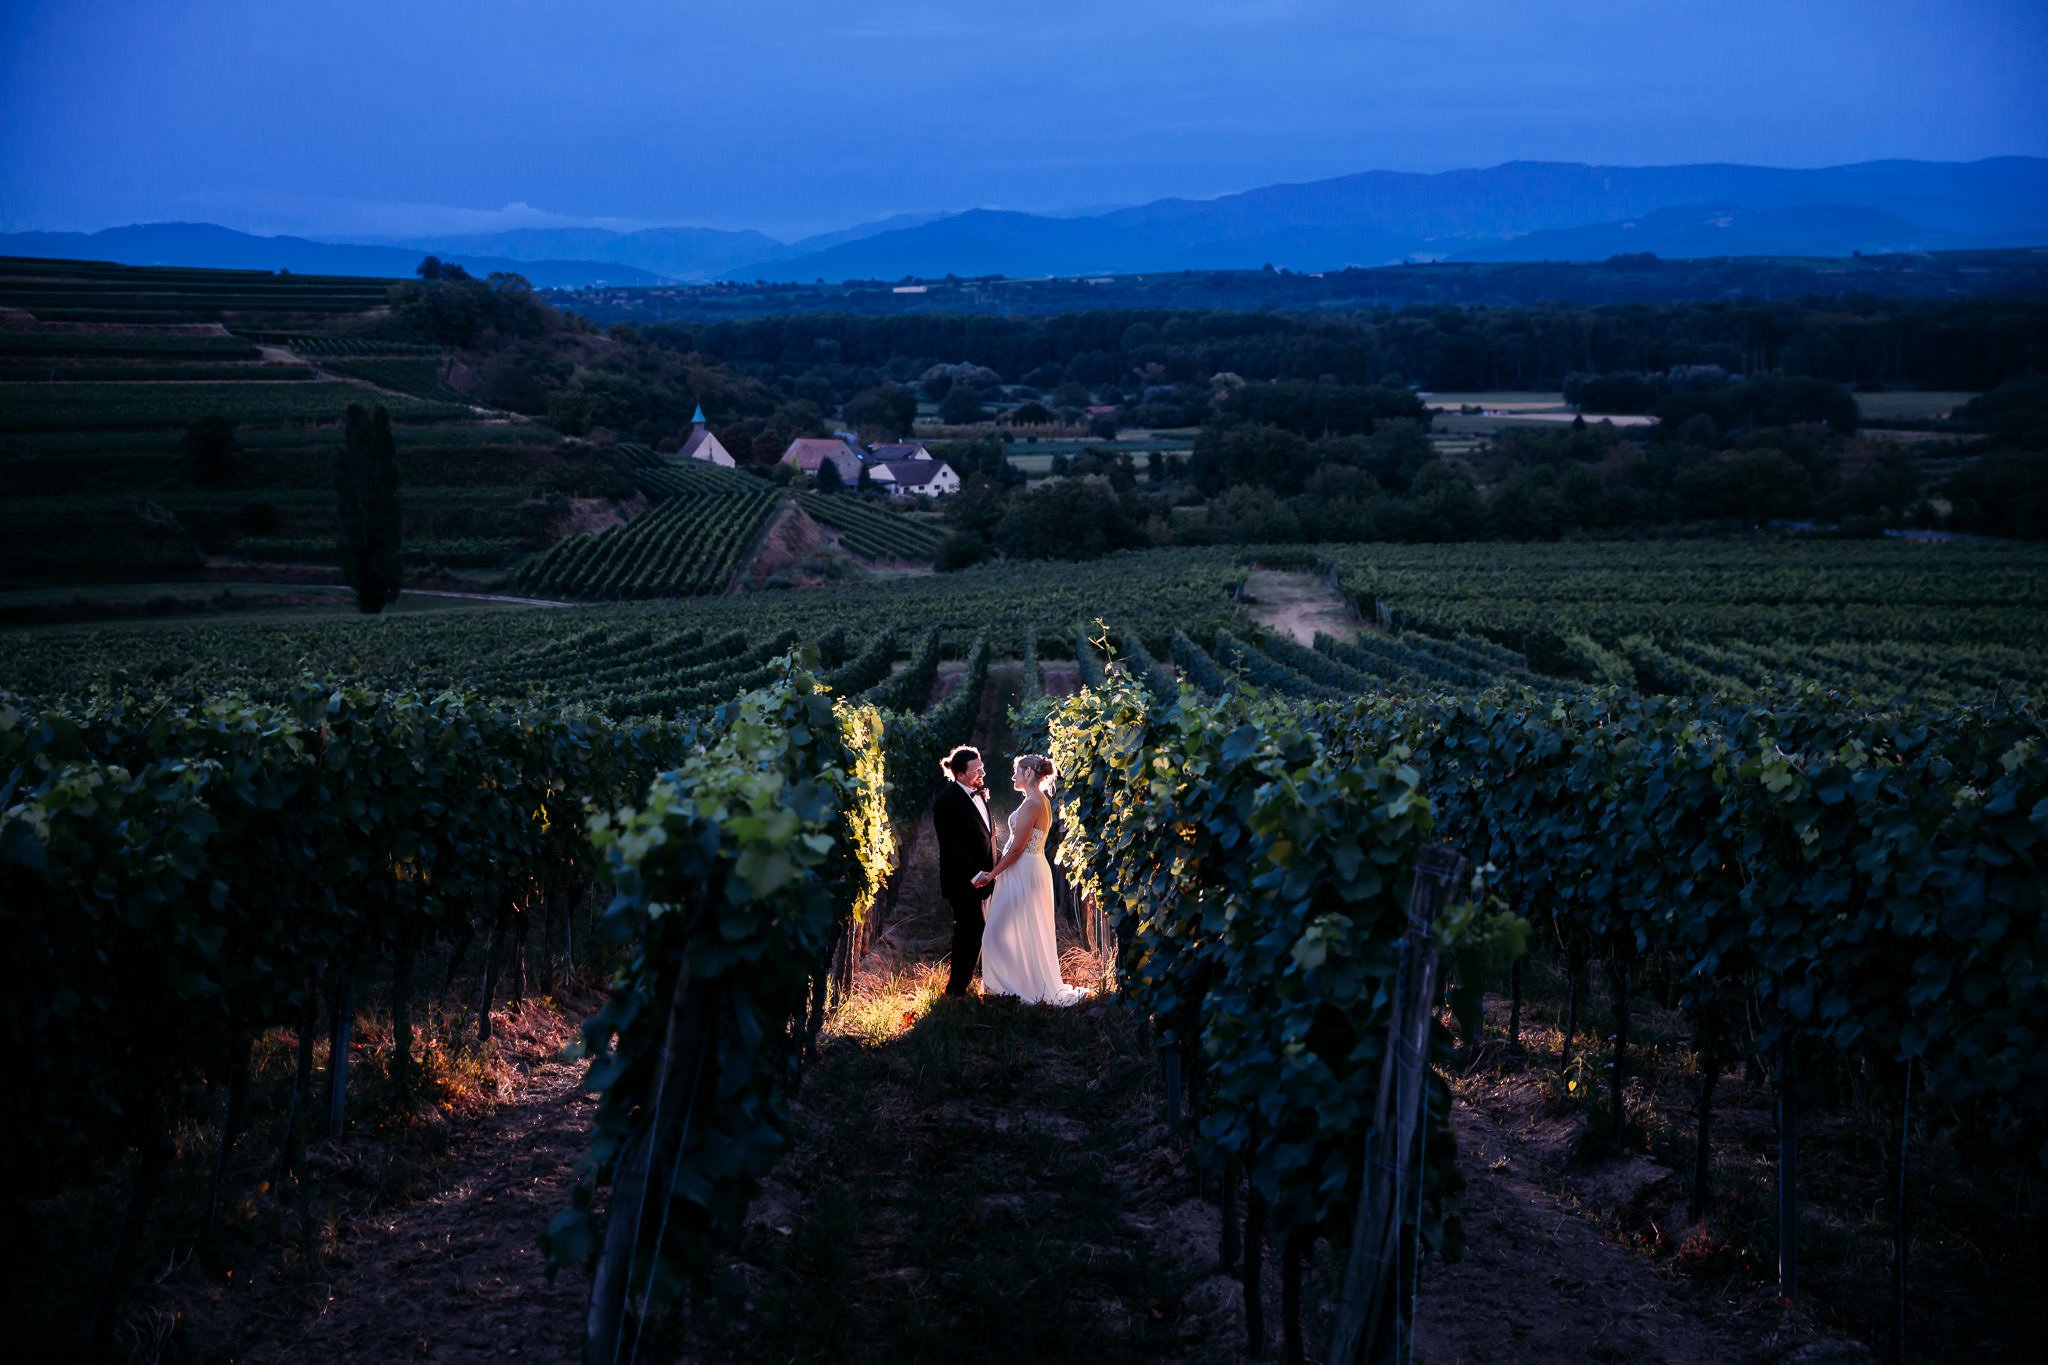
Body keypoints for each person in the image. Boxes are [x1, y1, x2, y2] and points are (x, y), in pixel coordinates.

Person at [973, 754, 1086, 1006]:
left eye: (1017, 770)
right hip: (1025, 868)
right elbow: (1014, 846)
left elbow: (1017, 850)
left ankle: (1013, 988)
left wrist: (993, 874)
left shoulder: (1034, 803)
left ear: (1028, 773)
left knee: (994, 932)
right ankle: (1015, 984)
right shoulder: (1035, 801)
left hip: (1024, 870)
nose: (1013, 775)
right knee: (1017, 929)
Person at [932, 745, 995, 996]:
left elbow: (987, 836)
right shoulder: (946, 802)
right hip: (962, 879)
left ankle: (960, 986)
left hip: (984, 876)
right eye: (975, 770)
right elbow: (951, 846)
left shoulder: (977, 793)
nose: (981, 773)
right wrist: (974, 874)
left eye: (982, 768)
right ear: (959, 775)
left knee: (973, 928)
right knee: (970, 928)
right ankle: (956, 989)